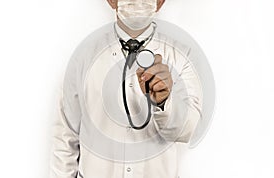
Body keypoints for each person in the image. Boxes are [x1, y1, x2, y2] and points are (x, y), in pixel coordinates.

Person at [50, 0, 203, 177]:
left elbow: (189, 130)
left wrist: (164, 103)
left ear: (160, 1)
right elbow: (64, 137)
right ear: (111, 0)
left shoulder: (183, 57)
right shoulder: (82, 58)